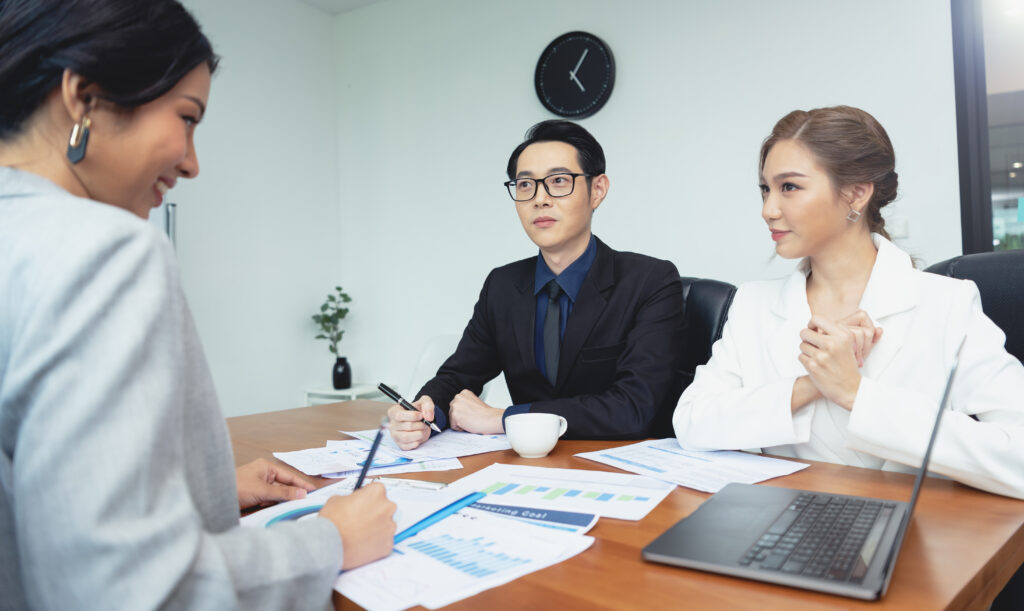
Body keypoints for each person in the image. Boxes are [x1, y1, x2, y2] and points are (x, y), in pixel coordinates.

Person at [0, 1, 395, 608]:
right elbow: (131, 589)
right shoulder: (104, 251)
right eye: (186, 118)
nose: (191, 161)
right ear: (82, 97)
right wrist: (331, 540)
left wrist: (203, 491)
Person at [673, 105, 1024, 499]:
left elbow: (1018, 457)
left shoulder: (946, 304)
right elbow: (691, 423)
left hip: (915, 539)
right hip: (781, 532)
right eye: (765, 189)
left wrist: (856, 394)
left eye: (789, 187)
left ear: (856, 192)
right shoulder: (754, 303)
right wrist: (812, 385)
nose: (768, 210)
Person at [389, 120, 685, 449]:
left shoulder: (650, 281)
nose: (540, 199)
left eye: (559, 181)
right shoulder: (503, 286)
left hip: (630, 474)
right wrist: (424, 414)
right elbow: (457, 377)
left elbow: (633, 408)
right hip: (530, 469)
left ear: (597, 190)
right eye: (526, 185)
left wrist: (503, 418)